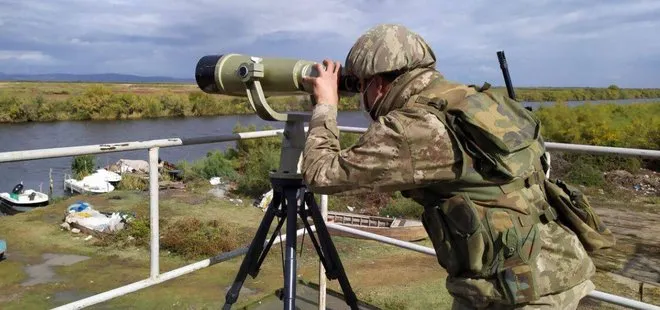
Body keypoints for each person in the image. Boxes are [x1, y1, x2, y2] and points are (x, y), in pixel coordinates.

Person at [301, 23, 596, 309]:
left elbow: (320, 174)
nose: (361, 95)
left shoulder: (412, 126)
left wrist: (325, 103)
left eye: (361, 85)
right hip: (560, 262)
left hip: (516, 292)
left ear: (377, 85)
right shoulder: (474, 99)